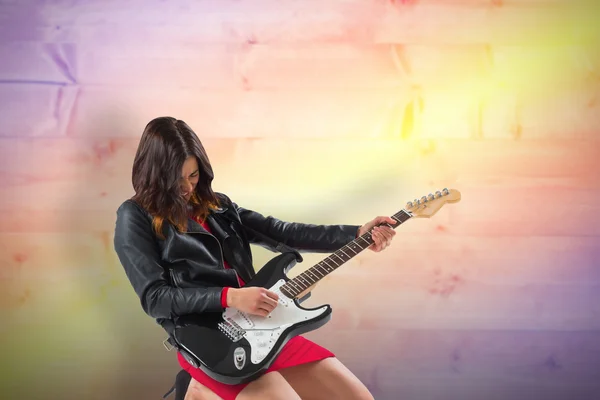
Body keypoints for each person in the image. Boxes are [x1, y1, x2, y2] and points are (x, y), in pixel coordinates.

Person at [113, 117, 397, 400]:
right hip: (210, 339)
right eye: (177, 178)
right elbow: (156, 299)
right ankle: (196, 387)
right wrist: (231, 297)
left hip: (264, 324)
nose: (187, 187)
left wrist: (356, 233)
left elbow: (280, 231)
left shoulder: (218, 205)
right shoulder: (134, 216)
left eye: (193, 175)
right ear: (155, 174)